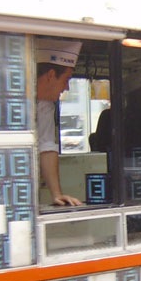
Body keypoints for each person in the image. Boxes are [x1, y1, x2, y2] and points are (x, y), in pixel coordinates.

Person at [35, 39, 82, 207]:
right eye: (66, 79)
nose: (66, 87)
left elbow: (46, 146)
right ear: (50, 75)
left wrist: (57, 195)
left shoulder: (45, 105)